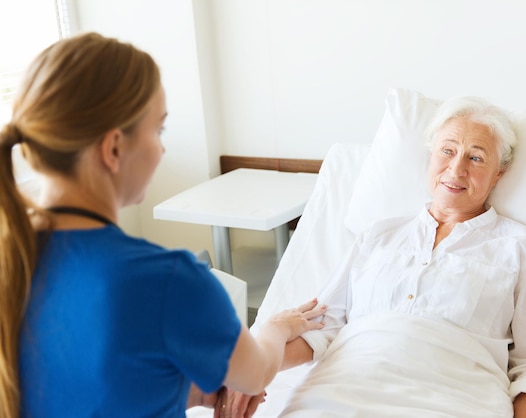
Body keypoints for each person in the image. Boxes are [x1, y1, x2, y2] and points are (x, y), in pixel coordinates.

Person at [0, 32, 326, 418]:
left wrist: (187, 393)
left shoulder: (13, 259)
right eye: (159, 130)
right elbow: (254, 377)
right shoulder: (167, 279)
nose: (162, 149)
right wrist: (275, 328)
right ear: (114, 148)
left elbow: (83, 385)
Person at [226, 97, 526, 418]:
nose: (456, 168)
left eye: (476, 157)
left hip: (456, 399)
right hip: (340, 391)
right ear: (430, 157)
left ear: (499, 172)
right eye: (447, 151)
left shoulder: (520, 246)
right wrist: (250, 373)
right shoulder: (378, 235)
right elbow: (321, 326)